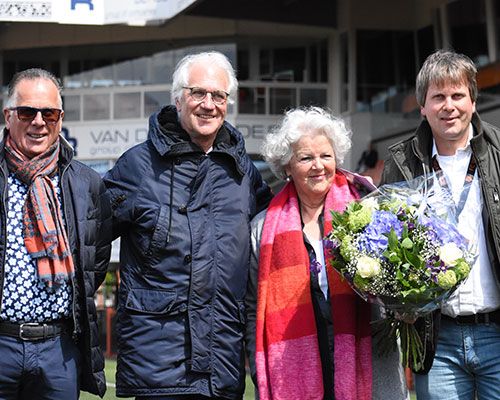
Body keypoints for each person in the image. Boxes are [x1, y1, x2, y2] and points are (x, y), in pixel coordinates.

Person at [104, 51, 272, 399]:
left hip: (222, 366)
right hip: (157, 368)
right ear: (178, 98)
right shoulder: (137, 167)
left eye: (218, 95)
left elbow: (272, 247)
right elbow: (88, 243)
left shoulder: (244, 175)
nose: (208, 104)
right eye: (198, 93)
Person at [245, 106, 408, 400]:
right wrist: (261, 372)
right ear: (287, 167)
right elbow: (250, 307)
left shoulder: (368, 211)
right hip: (292, 368)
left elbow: (397, 282)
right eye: (306, 158)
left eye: (325, 156)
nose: (318, 165)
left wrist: (407, 305)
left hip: (366, 362)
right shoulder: (262, 229)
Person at [382, 49, 500, 399]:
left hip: (496, 331)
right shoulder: (402, 162)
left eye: (457, 95)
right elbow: (386, 244)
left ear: (473, 102)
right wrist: (398, 303)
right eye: (438, 97)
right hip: (438, 340)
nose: (449, 106)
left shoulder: (498, 152)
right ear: (423, 106)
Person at [0, 68, 112, 399]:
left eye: (48, 112)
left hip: (57, 351)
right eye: (27, 112)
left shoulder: (87, 183)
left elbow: (96, 260)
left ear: (60, 119)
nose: (38, 121)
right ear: (9, 116)